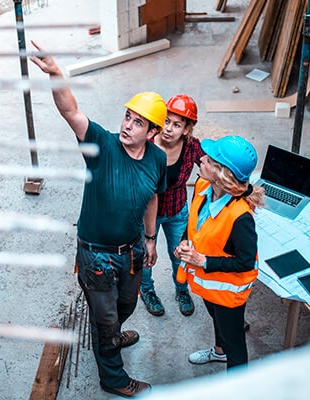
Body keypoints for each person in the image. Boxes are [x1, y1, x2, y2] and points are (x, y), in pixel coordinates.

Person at [30, 41, 167, 398]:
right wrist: (57, 74)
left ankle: (111, 336)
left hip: (133, 250)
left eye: (138, 123)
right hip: (97, 256)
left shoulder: (156, 159)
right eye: (127, 117)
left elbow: (153, 196)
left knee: (127, 305)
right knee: (105, 319)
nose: (128, 126)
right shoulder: (102, 145)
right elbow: (71, 112)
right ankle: (114, 378)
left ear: (152, 133)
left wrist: (151, 239)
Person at [173, 135, 264, 370]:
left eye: (210, 160)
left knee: (235, 344)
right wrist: (184, 242)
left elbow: (246, 263)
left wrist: (204, 261)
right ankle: (218, 352)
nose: (201, 159)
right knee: (216, 320)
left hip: (228, 293)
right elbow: (196, 223)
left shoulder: (241, 217)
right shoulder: (203, 186)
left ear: (222, 174)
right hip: (209, 284)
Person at [140, 94, 206, 317]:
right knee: (146, 256)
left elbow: (211, 166)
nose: (168, 128)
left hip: (177, 211)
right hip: (148, 215)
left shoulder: (191, 148)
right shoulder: (147, 145)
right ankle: (147, 290)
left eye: (177, 124)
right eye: (166, 121)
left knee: (179, 255)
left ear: (187, 129)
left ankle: (182, 290)